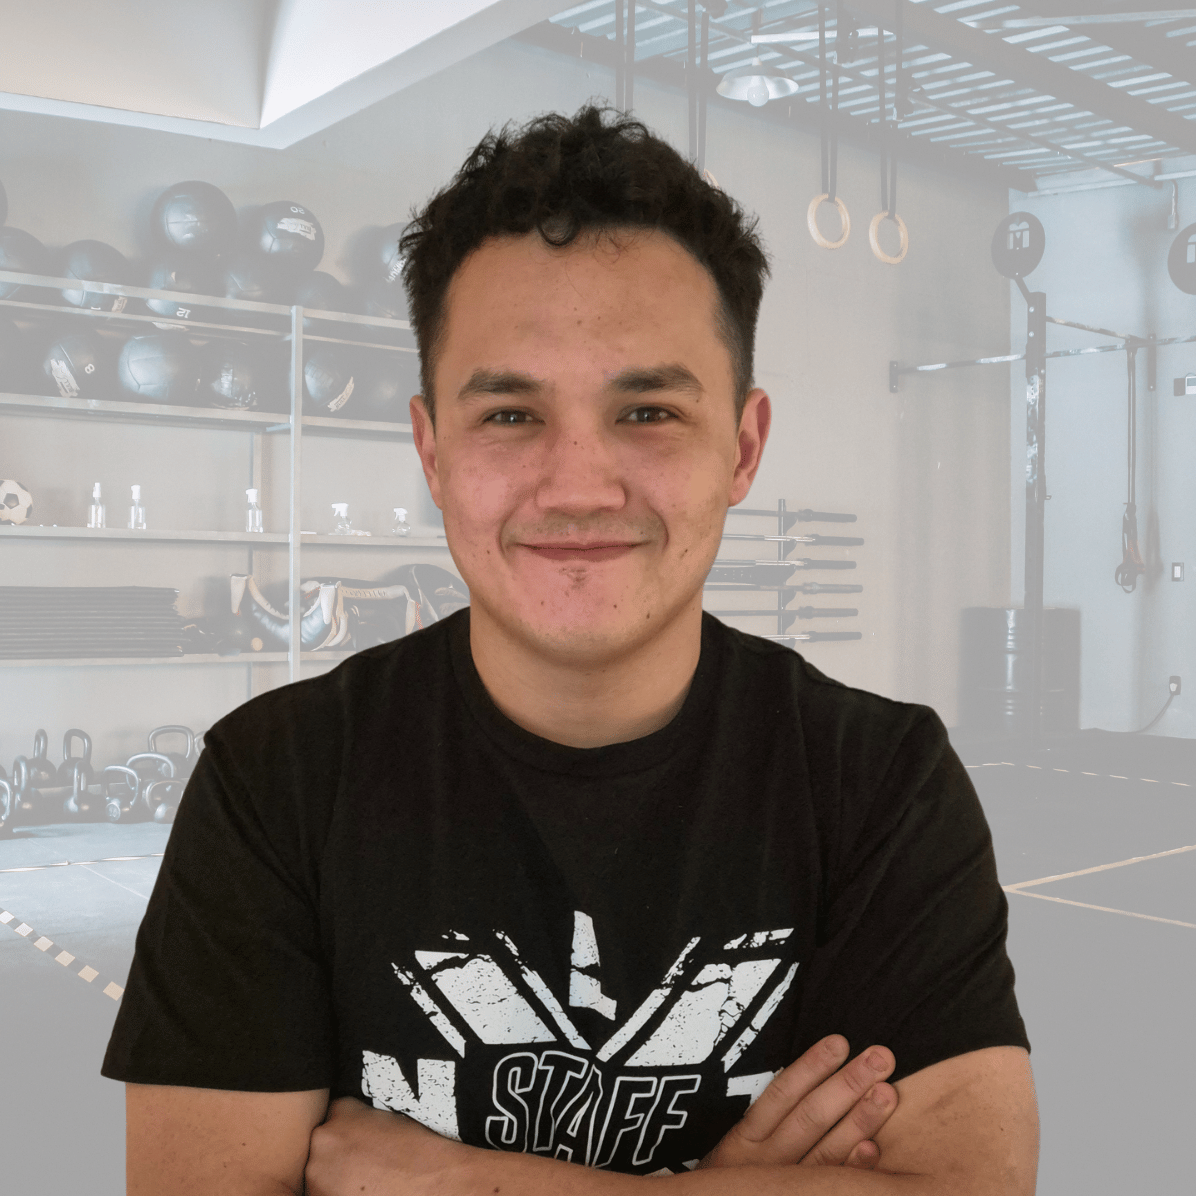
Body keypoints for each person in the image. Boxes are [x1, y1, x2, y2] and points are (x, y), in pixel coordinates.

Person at [103, 104, 1039, 1195]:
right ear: (431, 448)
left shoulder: (878, 780)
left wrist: (470, 1183)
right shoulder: (277, 779)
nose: (579, 485)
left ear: (741, 447)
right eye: (509, 416)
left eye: (645, 409)